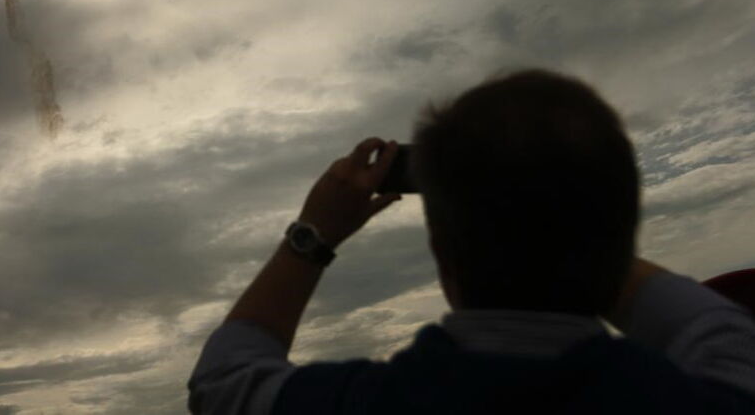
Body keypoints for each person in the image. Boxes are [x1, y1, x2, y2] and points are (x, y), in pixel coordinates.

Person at [187, 68, 755, 414]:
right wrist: (568, 222)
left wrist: (311, 237)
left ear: (442, 252)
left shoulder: (357, 404)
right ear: (617, 236)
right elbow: (711, 326)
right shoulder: (721, 393)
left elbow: (223, 382)